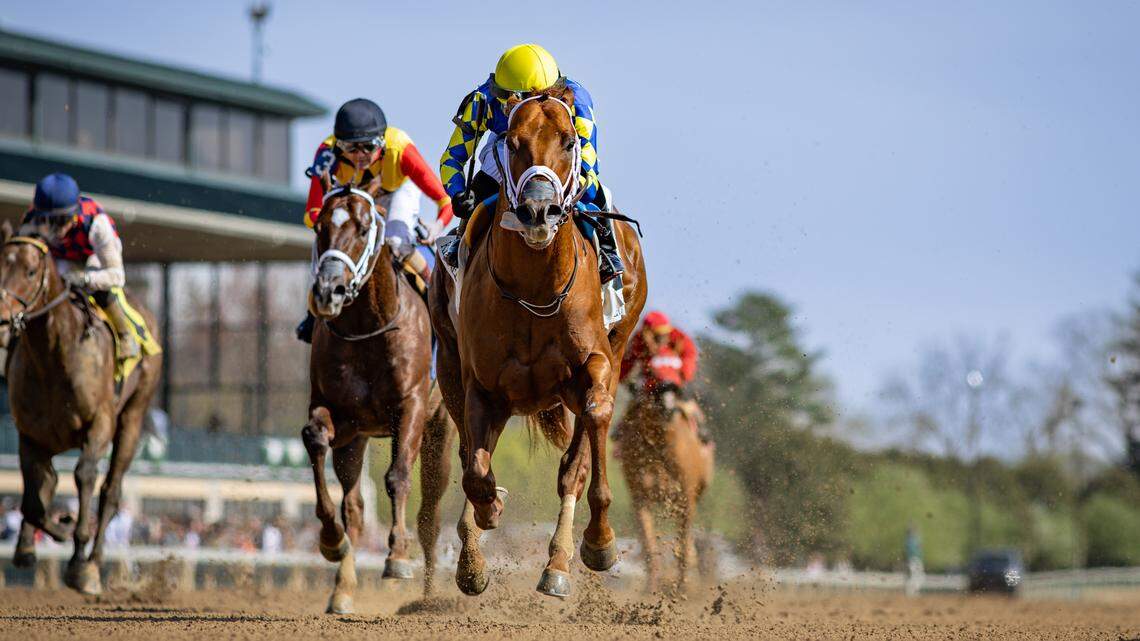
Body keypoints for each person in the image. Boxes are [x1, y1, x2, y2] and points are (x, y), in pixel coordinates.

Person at [438, 44, 623, 283]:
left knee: (595, 192)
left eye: (537, 98)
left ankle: (608, 251)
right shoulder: (482, 100)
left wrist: (581, 183)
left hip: (556, 147)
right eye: (516, 99)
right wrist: (458, 194)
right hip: (510, 144)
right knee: (480, 186)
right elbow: (452, 158)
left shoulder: (578, 99)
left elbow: (588, 157)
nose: (529, 107)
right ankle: (460, 241)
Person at [295, 98, 453, 343]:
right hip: (353, 195)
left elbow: (445, 200)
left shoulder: (401, 149)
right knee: (327, 244)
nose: (360, 155)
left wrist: (438, 225)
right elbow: (312, 212)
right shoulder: (326, 153)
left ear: (382, 142)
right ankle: (312, 313)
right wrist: (328, 226)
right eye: (351, 147)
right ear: (338, 145)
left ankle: (438, 296)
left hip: (396, 191)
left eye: (368, 147)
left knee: (396, 240)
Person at [21, 173, 144, 360]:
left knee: (95, 285)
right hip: (61, 256)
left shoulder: (98, 225)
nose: (55, 229)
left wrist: (86, 278)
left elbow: (117, 275)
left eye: (61, 220)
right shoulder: (31, 220)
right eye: (47, 220)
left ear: (74, 214)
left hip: (92, 256)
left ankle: (124, 334)